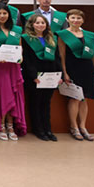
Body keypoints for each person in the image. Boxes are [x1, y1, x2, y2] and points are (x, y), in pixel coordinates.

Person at [0, 2, 27, 141]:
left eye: (4, 13)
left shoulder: (17, 29)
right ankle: (0, 125)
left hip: (13, 67)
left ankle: (10, 125)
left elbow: (20, 49)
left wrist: (20, 58)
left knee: (13, 96)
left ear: (9, 15)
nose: (2, 16)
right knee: (2, 94)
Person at [57, 9, 94, 141]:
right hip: (72, 68)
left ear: (83, 20)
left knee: (84, 98)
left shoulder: (88, 35)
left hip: (87, 69)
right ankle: (74, 127)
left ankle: (83, 127)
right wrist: (65, 72)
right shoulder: (63, 34)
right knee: (75, 98)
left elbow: (93, 55)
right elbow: (62, 55)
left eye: (78, 18)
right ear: (68, 19)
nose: (76, 20)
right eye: (73, 18)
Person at [22, 13, 62, 141]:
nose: (40, 25)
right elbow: (27, 60)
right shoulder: (26, 39)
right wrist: (33, 75)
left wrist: (59, 74)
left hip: (50, 75)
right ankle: (38, 129)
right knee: (35, 103)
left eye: (43, 23)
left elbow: (57, 58)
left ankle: (48, 129)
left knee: (46, 103)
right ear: (32, 24)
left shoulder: (51, 38)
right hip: (35, 76)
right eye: (37, 23)